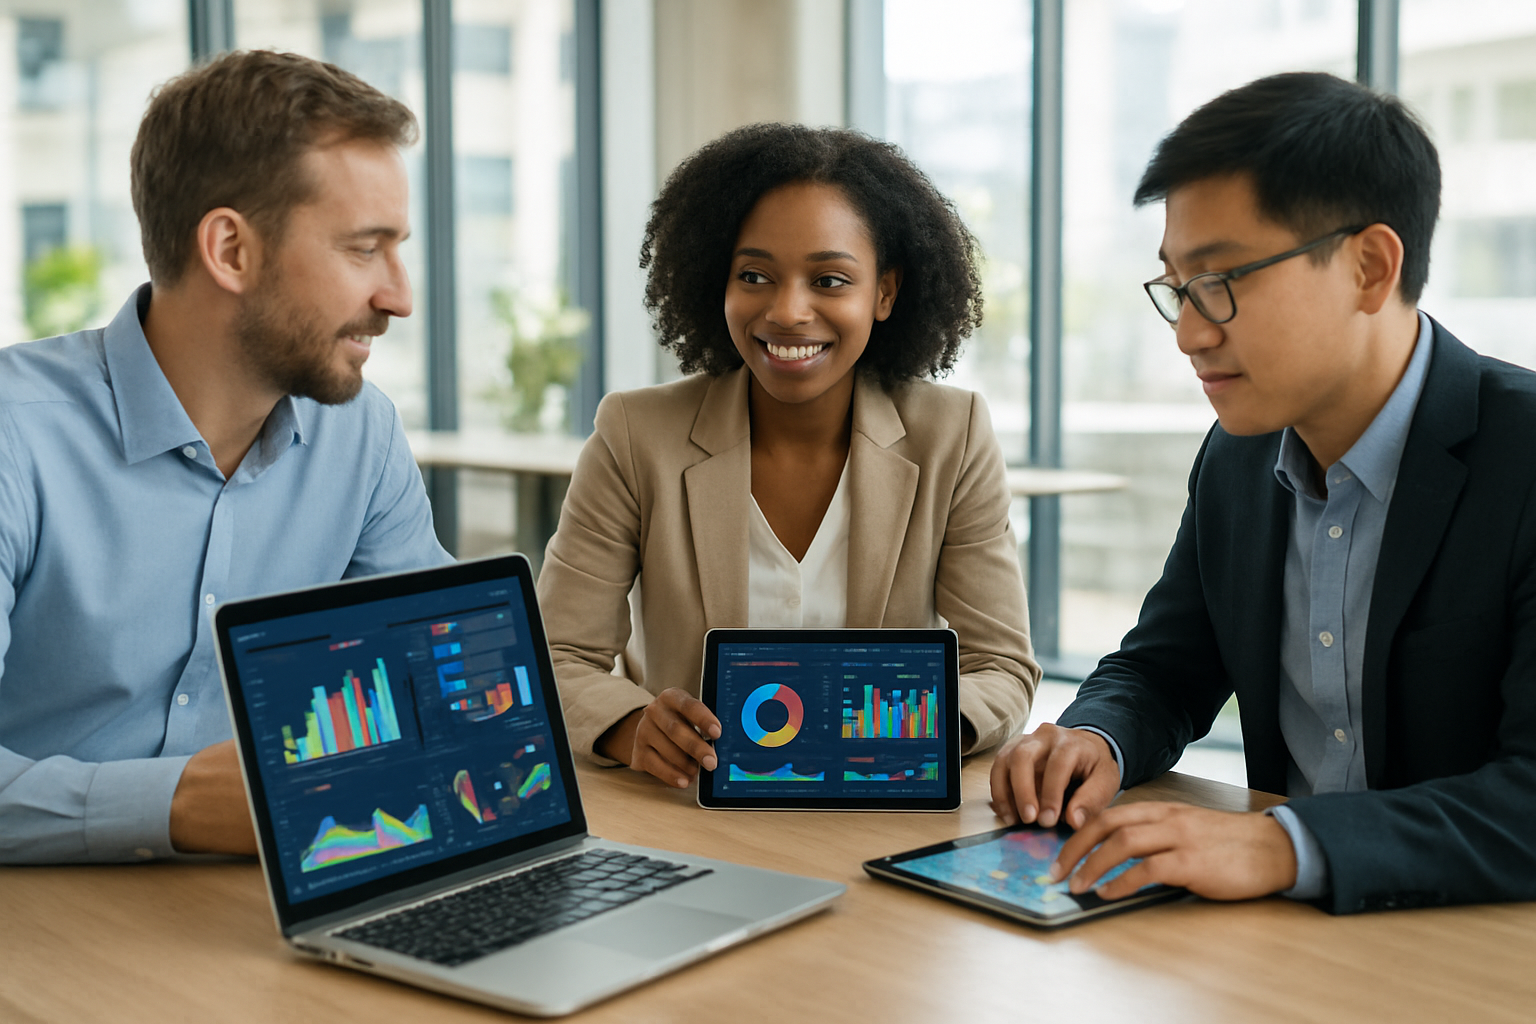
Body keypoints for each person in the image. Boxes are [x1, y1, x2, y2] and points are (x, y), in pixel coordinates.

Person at [989, 71, 1536, 913]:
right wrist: (1094, 737)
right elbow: (1165, 669)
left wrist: (1285, 843)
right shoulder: (1241, 455)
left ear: (1369, 267)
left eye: (1222, 281)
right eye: (1177, 287)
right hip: (1283, 945)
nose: (1189, 333)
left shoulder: (1524, 455)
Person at [0, 51, 452, 864]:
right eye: (363, 249)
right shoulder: (15, 436)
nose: (400, 296)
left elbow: (435, 687)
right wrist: (174, 804)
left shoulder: (362, 436)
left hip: (260, 910)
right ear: (231, 250)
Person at [537, 124, 1039, 787]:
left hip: (880, 808)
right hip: (688, 813)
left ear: (884, 293)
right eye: (755, 276)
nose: (788, 311)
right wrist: (632, 726)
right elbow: (555, 656)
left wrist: (921, 731)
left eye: (829, 279)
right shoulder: (636, 433)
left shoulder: (953, 434)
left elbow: (1003, 667)